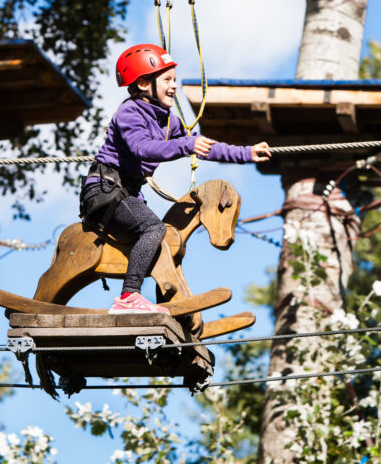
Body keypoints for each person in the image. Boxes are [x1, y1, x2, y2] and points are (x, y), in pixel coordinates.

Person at [80, 43, 271, 314]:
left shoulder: (169, 121)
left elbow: (203, 145)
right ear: (144, 84)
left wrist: (247, 153)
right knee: (154, 229)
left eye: (175, 80)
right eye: (167, 80)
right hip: (105, 189)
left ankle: (162, 300)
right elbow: (142, 147)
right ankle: (128, 297)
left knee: (163, 237)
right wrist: (186, 146)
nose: (174, 87)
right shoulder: (129, 112)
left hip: (129, 192)